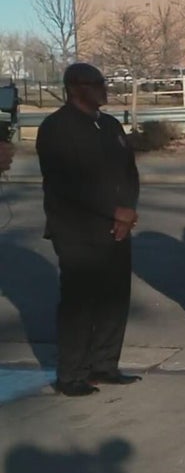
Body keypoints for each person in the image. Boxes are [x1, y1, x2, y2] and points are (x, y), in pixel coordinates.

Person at [36, 63, 141, 397]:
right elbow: (68, 184)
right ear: (75, 88)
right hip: (77, 231)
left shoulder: (109, 125)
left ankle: (104, 365)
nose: (103, 87)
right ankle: (71, 374)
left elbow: (129, 172)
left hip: (116, 229)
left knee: (114, 299)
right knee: (80, 304)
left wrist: (126, 212)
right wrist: (114, 210)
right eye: (96, 83)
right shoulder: (56, 128)